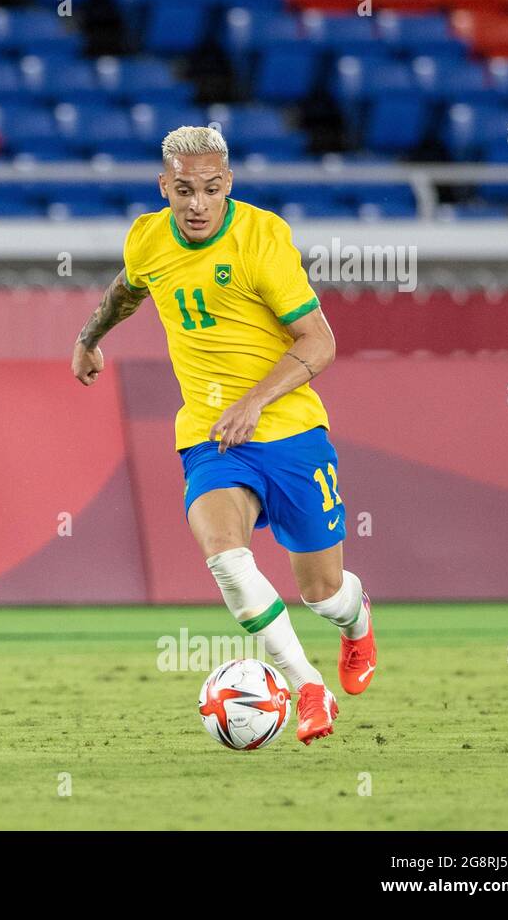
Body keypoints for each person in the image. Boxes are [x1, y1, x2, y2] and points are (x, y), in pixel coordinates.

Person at [70, 125, 376, 744]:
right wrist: (88, 338)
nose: (197, 204)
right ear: (165, 187)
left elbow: (320, 341)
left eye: (210, 189)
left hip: (289, 431)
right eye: (184, 191)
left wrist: (254, 402)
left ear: (227, 184)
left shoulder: (262, 237)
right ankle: (306, 686)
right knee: (226, 558)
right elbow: (127, 290)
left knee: (322, 593)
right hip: (210, 437)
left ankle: (357, 623)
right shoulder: (148, 238)